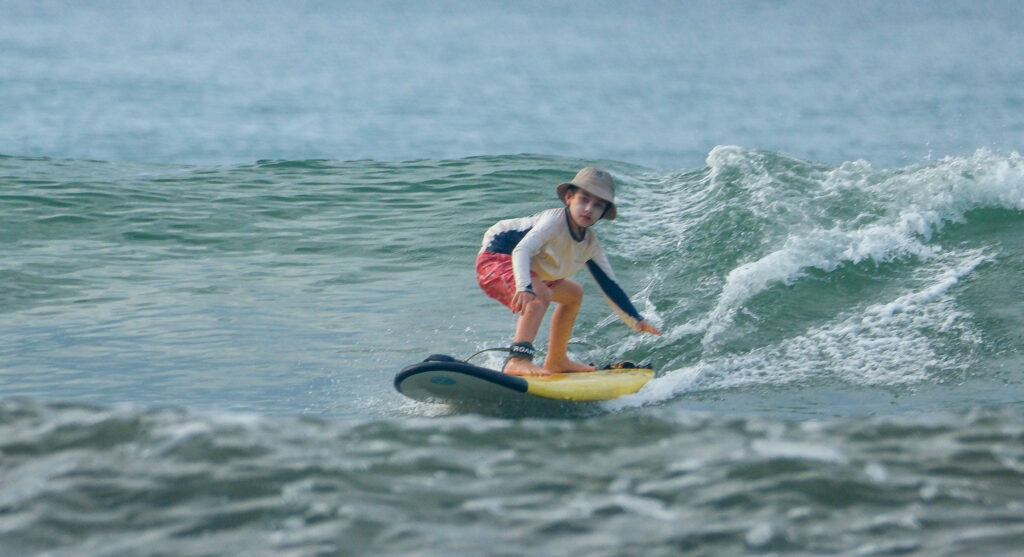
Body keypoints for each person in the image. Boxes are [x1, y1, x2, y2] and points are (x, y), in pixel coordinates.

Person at [476, 167, 662, 376]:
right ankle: (518, 360)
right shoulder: (553, 222)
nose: (589, 209)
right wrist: (524, 286)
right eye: (584, 200)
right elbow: (522, 249)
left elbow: (609, 284)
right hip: (497, 257)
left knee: (574, 294)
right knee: (541, 295)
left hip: (529, 267)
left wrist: (636, 319)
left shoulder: (590, 245)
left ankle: (557, 360)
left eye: (598, 205)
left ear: (603, 212)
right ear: (569, 198)